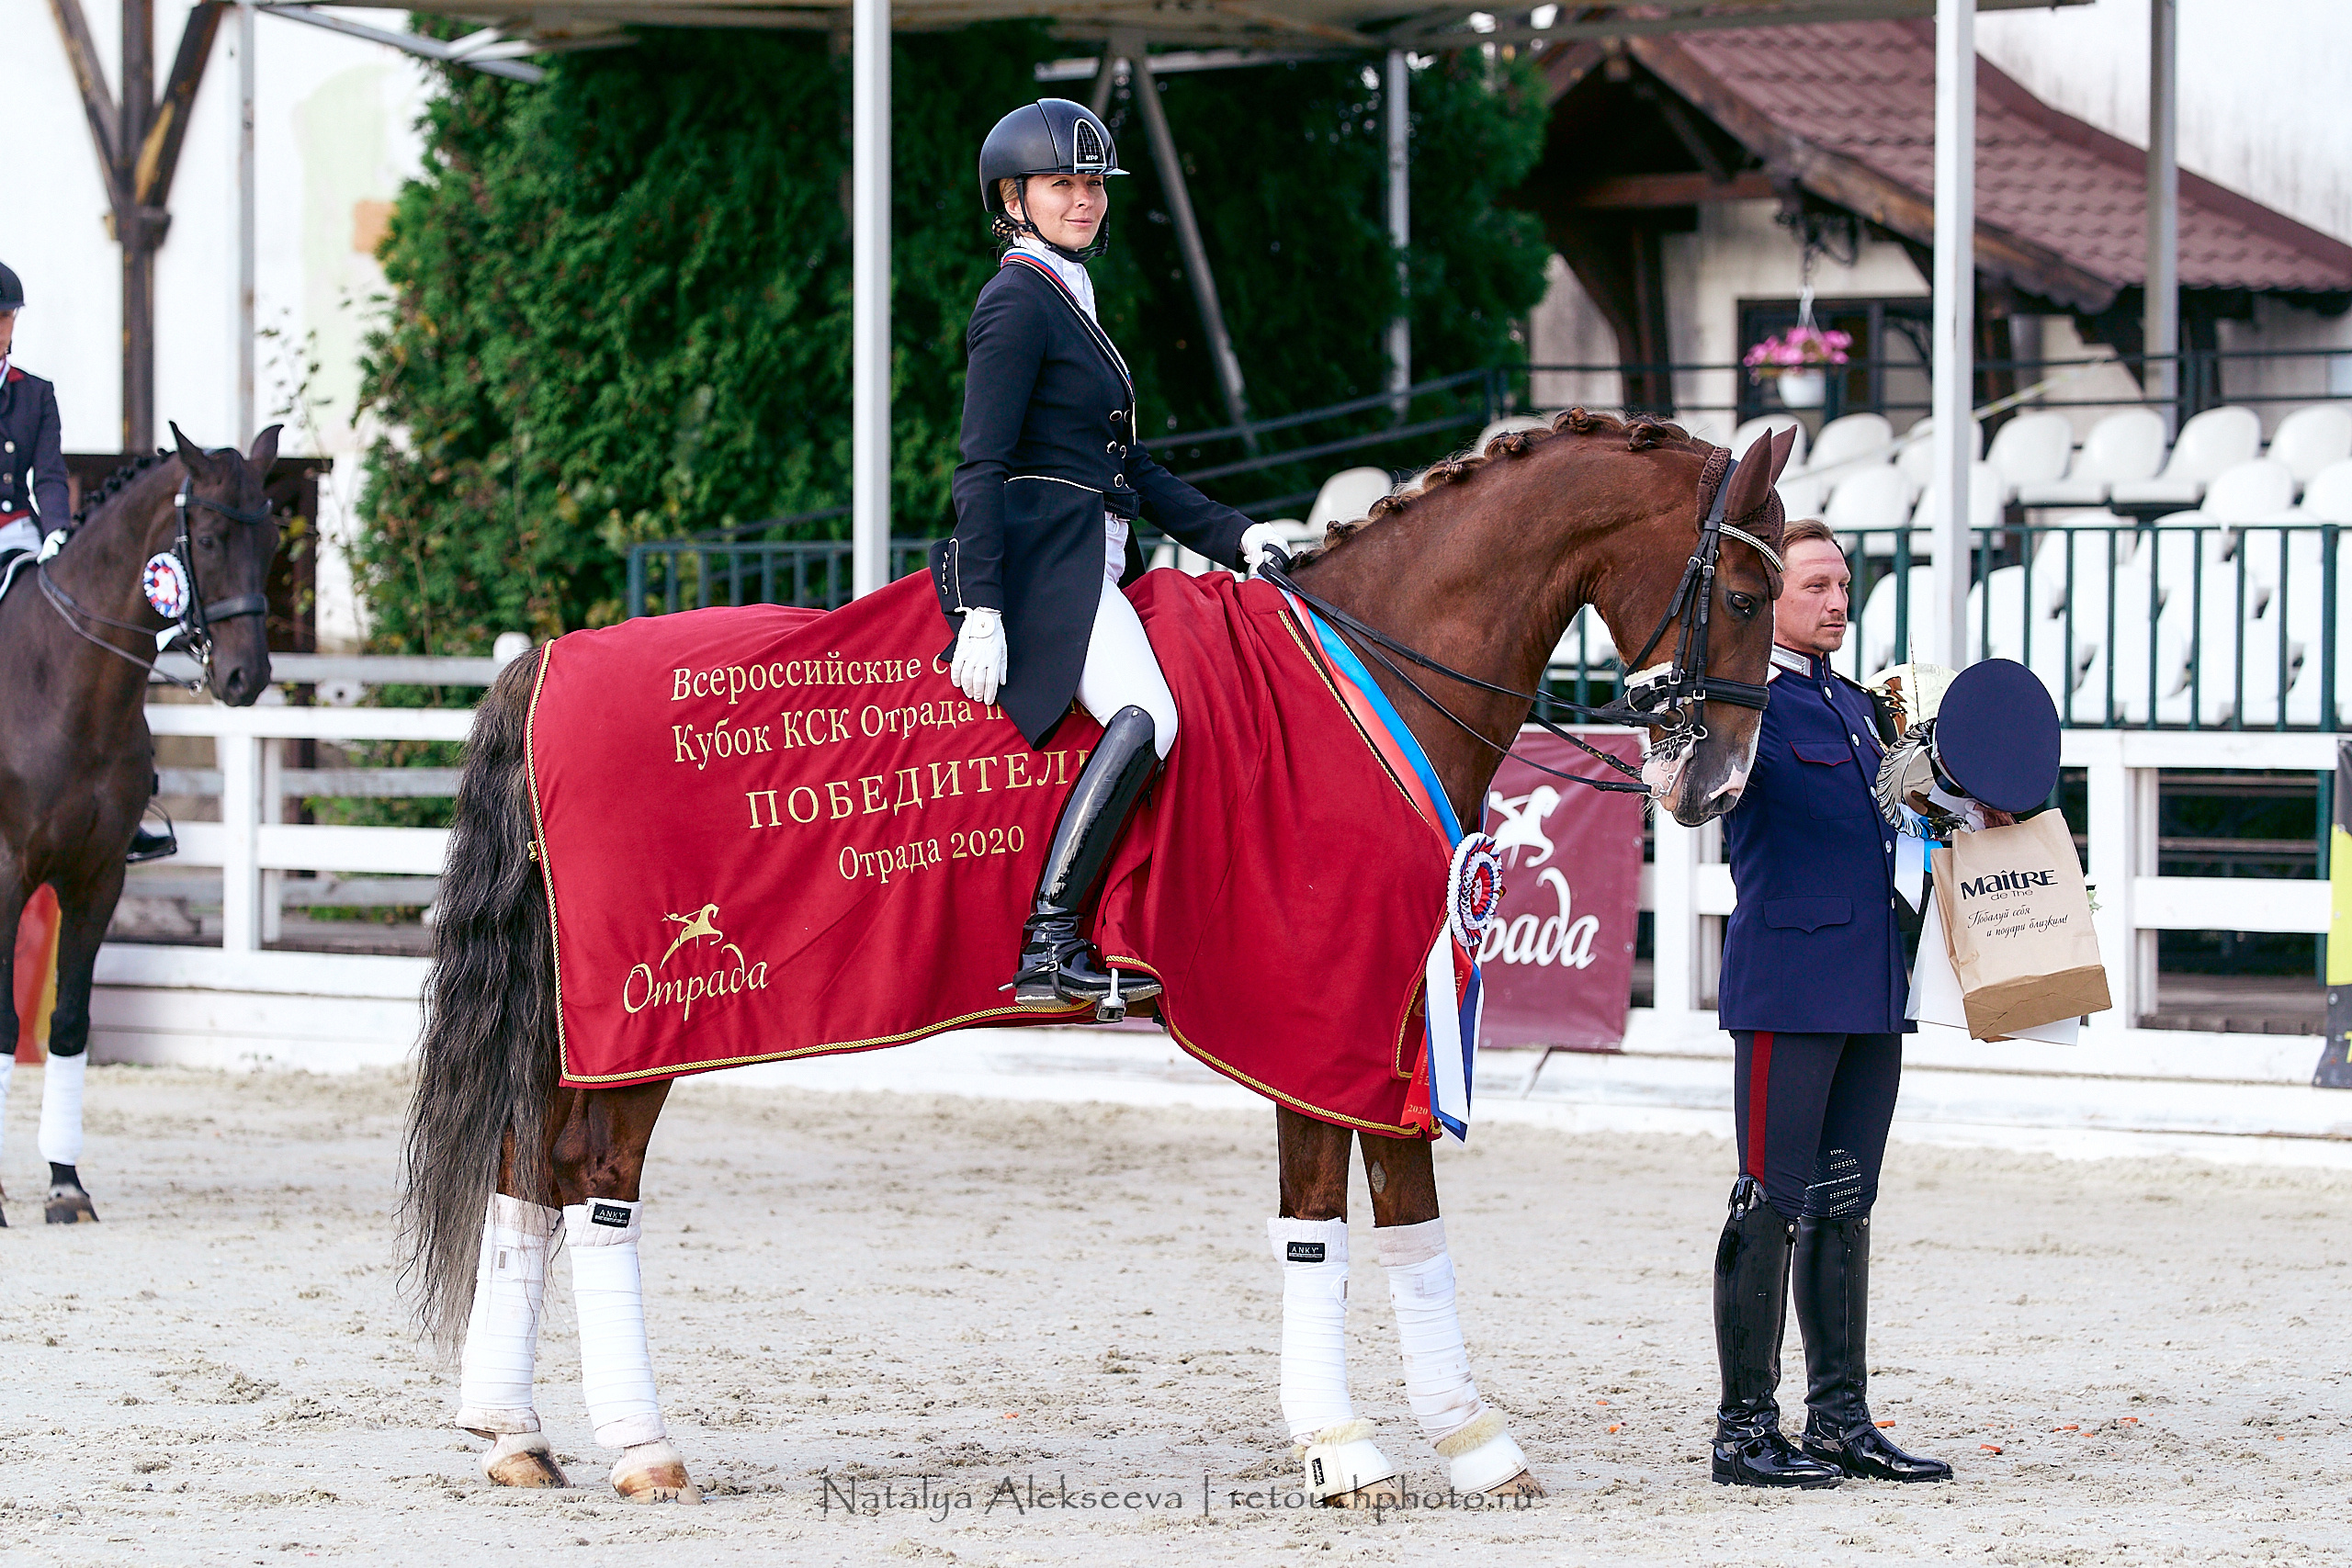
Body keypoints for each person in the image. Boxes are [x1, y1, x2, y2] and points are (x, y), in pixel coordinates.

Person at [932, 99, 1286, 1010]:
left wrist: (1236, 535)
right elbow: (981, 463)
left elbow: (1129, 464)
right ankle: (1049, 942)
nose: (1084, 199)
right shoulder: (1016, 300)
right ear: (1013, 198)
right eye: (1063, 184)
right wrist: (982, 607)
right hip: (1056, 569)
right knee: (1148, 715)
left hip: (1097, 555)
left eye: (1092, 184)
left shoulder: (1069, 295)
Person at [1705, 518, 1951, 1488]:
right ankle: (1742, 1429)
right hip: (1788, 985)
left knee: (1846, 1206)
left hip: (1869, 985)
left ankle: (1840, 1419)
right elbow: (1689, 791)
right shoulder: (1745, 706)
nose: (1836, 601)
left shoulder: (1860, 709)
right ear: (1771, 598)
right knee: (1769, 1199)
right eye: (1815, 586)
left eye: (1843, 584)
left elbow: (1911, 830)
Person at [0, 261, 68, 560]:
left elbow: (49, 475)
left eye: (4, 316)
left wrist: (57, 529)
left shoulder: (36, 394)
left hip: (18, 530)